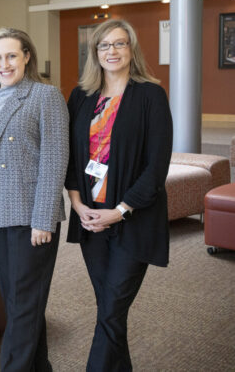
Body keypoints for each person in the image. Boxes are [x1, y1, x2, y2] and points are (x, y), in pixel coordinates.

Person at [65, 19, 172, 371]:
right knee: (111, 311)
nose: (112, 51)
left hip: (133, 219)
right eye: (104, 45)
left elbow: (156, 169)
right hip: (91, 219)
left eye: (120, 44)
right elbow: (70, 157)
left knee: (111, 309)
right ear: (94, 53)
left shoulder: (149, 95)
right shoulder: (81, 96)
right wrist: (78, 204)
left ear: (132, 49)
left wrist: (120, 210)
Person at [0, 27, 69, 371]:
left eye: (11, 55)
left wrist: (44, 218)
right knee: (19, 301)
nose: (4, 64)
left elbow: (55, 159)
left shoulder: (44, 96)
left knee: (24, 302)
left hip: (30, 215)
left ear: (26, 56)